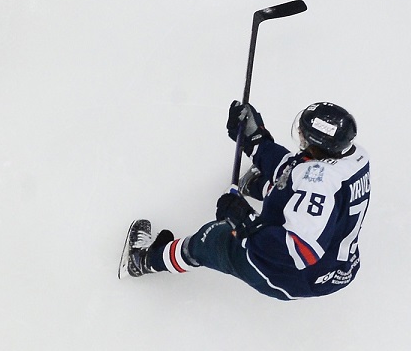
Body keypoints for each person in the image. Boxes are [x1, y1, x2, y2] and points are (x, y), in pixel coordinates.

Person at [119, 101, 371, 301]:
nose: (301, 138)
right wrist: (256, 140)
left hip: (295, 277)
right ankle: (260, 186)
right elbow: (300, 171)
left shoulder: (318, 182)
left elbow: (299, 251)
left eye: (305, 137)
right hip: (339, 265)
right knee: (288, 186)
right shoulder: (353, 157)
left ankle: (144, 260)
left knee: (212, 238)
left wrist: (244, 221)